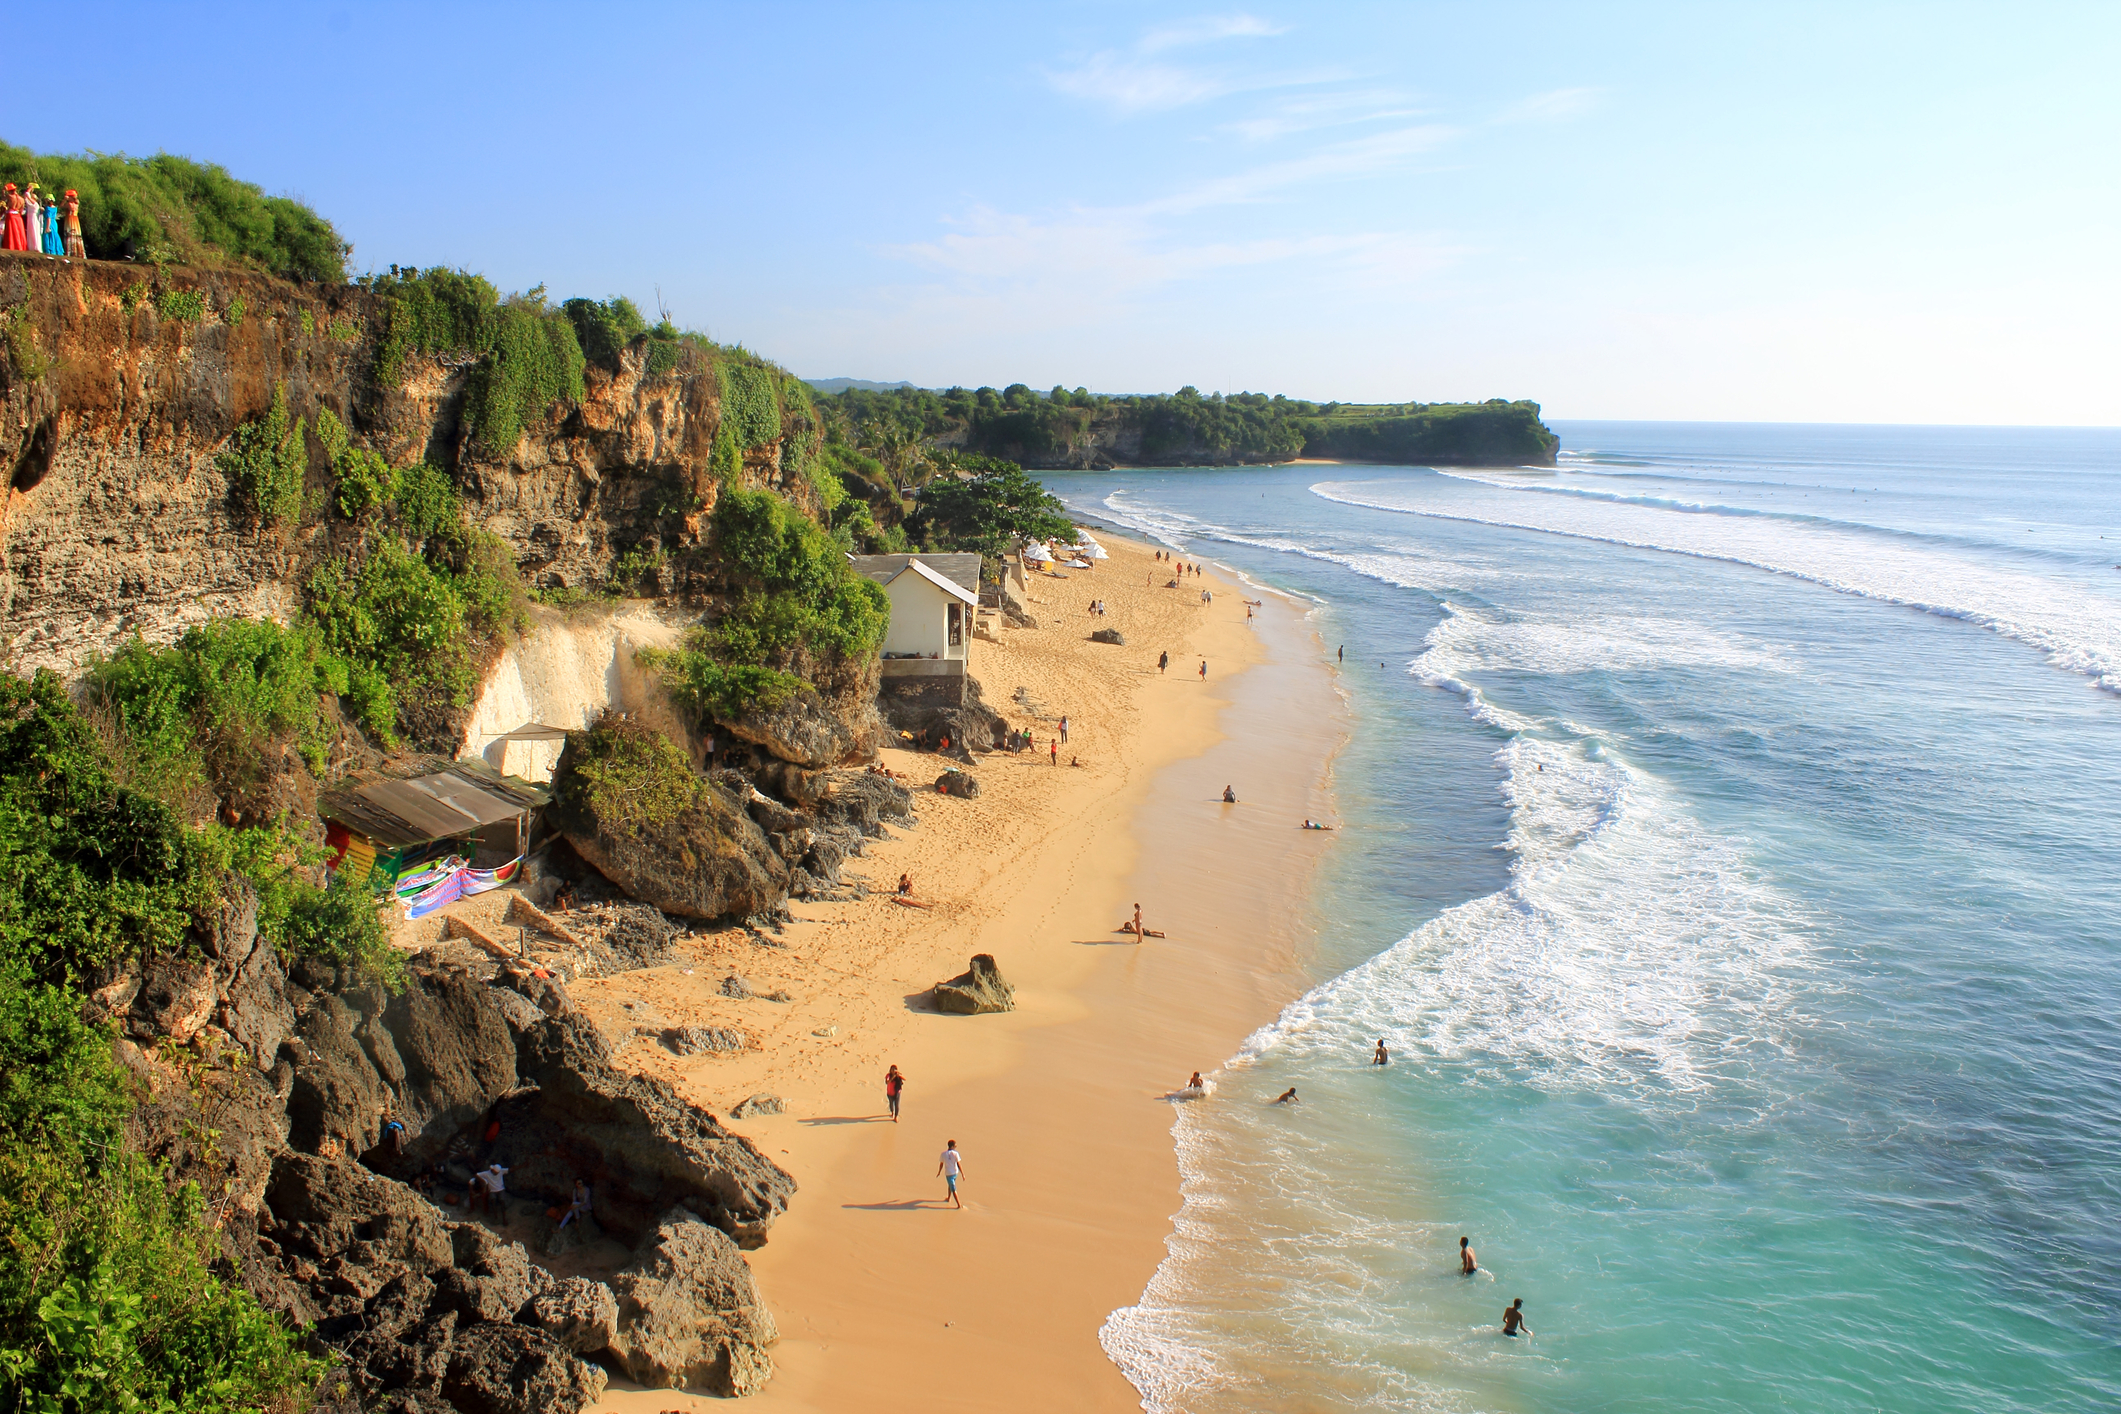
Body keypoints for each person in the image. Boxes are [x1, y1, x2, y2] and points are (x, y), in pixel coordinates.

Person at [937, 1140, 964, 1208]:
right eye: (955, 1145)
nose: (956, 1146)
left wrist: (939, 1172)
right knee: (952, 1187)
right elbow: (958, 1164)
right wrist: (962, 1173)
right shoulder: (956, 1153)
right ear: (952, 1146)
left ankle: (955, 1202)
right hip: (955, 1173)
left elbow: (941, 1164)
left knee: (952, 1187)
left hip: (949, 1174)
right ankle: (958, 1204)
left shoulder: (943, 1154)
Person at [2, 186, 27, 253]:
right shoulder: (22, 199)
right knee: (19, 232)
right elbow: (21, 210)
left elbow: (3, 199)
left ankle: (11, 246)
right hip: (18, 215)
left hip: (11, 215)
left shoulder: (10, 196)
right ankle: (20, 246)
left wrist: (3, 191)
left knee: (11, 231)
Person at [61, 191, 84, 260]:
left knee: (70, 234)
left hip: (70, 219)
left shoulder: (69, 204)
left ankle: (70, 252)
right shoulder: (76, 204)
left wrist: (64, 200)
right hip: (75, 220)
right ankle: (78, 252)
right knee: (76, 235)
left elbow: (61, 206)